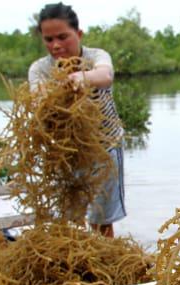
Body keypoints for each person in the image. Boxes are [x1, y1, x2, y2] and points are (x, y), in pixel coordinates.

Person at [28, 2, 125, 238]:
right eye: (49, 39)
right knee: (70, 219)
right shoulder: (40, 69)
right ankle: (77, 263)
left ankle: (106, 263)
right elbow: (37, 98)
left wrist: (81, 77)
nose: (56, 45)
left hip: (105, 147)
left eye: (63, 37)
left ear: (78, 34)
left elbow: (105, 75)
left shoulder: (96, 57)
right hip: (65, 152)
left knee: (102, 220)